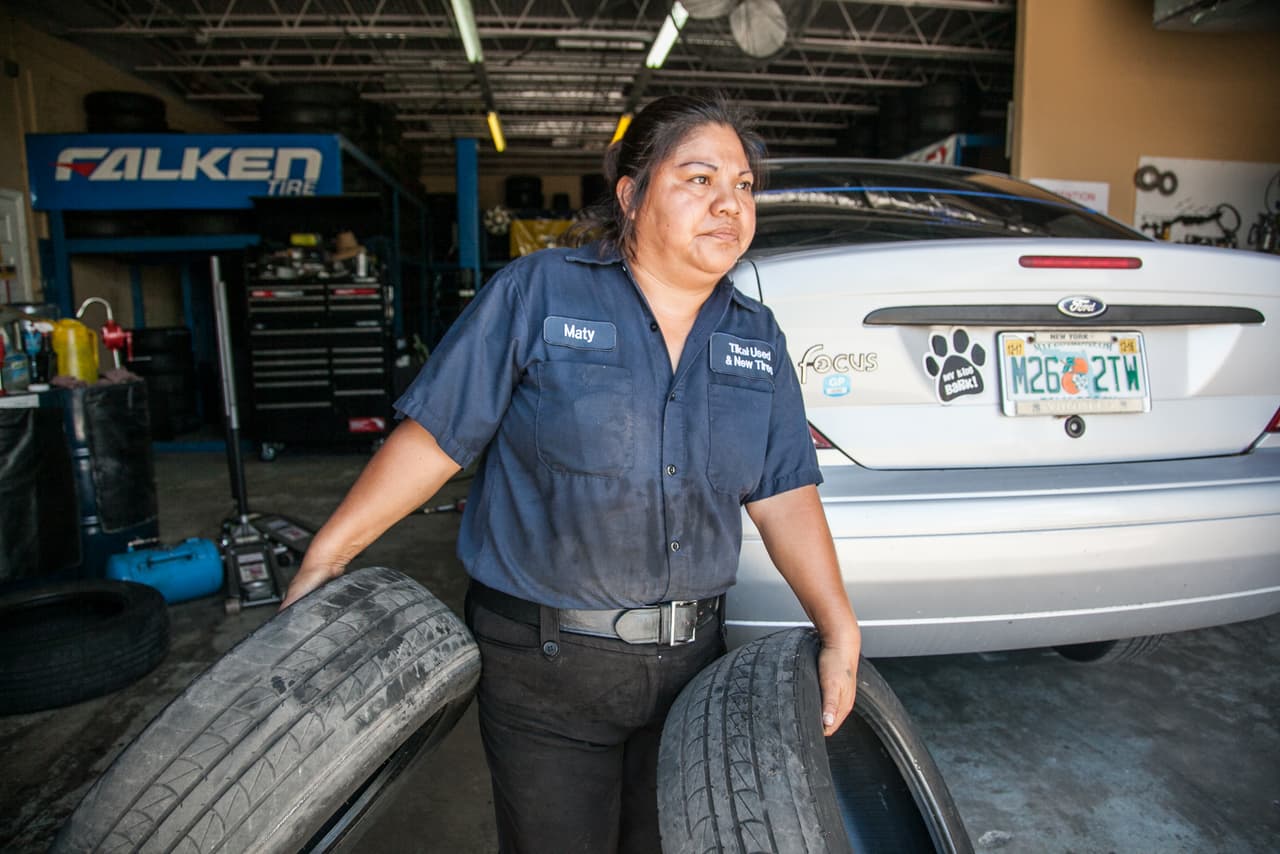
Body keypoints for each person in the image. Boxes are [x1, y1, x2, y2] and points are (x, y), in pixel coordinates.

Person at [280, 93, 861, 853]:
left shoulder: (755, 335)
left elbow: (784, 490)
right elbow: (438, 440)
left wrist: (838, 626)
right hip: (544, 672)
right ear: (631, 194)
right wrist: (331, 553)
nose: (729, 203)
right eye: (698, 179)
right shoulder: (537, 293)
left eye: (744, 186)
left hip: (694, 675)